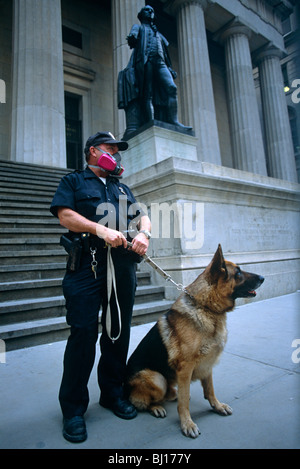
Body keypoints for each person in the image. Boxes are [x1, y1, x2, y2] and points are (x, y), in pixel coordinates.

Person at [50, 131, 151, 443]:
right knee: (82, 334)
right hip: (86, 267)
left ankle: (112, 393)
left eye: (118, 150)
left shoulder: (121, 186)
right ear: (93, 151)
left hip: (121, 268)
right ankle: (73, 409)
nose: (115, 154)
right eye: (110, 148)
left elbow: (141, 215)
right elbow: (65, 215)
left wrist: (144, 234)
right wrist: (100, 229)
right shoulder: (74, 182)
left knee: (117, 333)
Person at [118, 5, 192, 138]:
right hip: (145, 61)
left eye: (152, 10)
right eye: (147, 10)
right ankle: (150, 120)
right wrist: (132, 38)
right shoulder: (139, 27)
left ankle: (174, 121)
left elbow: (165, 52)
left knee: (171, 88)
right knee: (147, 93)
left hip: (160, 62)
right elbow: (132, 39)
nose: (150, 12)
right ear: (141, 14)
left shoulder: (158, 34)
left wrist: (169, 67)